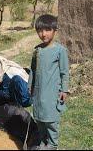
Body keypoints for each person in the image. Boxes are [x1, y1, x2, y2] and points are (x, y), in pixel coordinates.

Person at [29, 14, 69, 150]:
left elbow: (64, 72)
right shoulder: (37, 50)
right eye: (40, 30)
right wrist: (30, 87)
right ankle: (42, 141)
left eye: (47, 30)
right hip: (38, 92)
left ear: (54, 30)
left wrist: (64, 90)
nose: (43, 34)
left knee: (51, 119)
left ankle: (52, 144)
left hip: (52, 92)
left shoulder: (60, 51)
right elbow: (32, 70)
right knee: (39, 118)